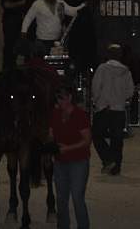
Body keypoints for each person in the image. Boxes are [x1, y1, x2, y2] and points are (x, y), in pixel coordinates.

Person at [49, 82, 91, 229]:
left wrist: (68, 148)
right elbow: (51, 134)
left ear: (70, 97)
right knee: (61, 199)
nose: (59, 101)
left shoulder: (80, 115)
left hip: (78, 161)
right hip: (60, 161)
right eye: (57, 98)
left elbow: (87, 140)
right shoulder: (55, 114)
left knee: (77, 199)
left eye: (62, 98)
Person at [91, 43, 134, 175]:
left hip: (103, 108)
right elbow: (130, 92)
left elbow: (96, 87)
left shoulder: (102, 69)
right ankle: (116, 167)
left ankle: (108, 159)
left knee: (97, 136)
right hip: (119, 109)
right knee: (117, 139)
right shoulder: (126, 71)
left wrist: (97, 100)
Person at [21, 0, 85, 51]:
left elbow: (73, 12)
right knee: (42, 62)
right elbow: (28, 18)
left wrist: (84, 5)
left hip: (57, 41)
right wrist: (23, 32)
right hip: (42, 41)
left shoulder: (60, 3)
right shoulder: (38, 4)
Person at [0, 0, 27, 70]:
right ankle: (8, 68)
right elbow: (6, 4)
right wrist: (22, 3)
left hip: (13, 20)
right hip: (11, 20)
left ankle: (9, 68)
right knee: (10, 47)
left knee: (12, 46)